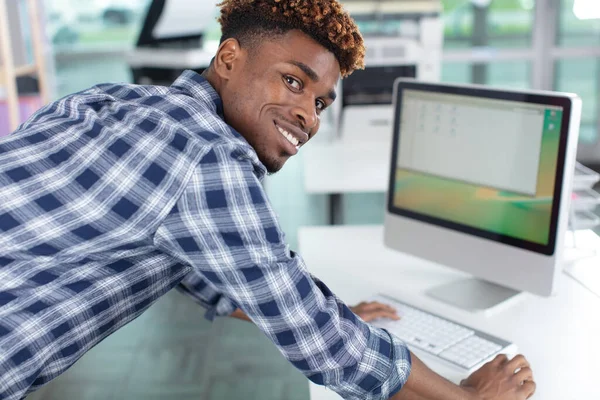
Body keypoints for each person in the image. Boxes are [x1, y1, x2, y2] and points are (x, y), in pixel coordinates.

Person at [0, 1, 535, 399]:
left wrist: (298, 307)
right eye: (293, 81)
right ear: (229, 58)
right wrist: (467, 397)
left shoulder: (106, 99)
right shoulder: (207, 158)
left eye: (321, 101)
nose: (310, 115)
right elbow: (323, 346)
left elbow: (189, 260)